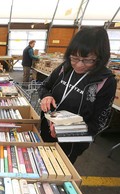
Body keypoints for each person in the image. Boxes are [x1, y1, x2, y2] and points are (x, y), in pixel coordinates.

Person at [38, 27, 117, 164]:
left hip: (71, 143)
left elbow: (98, 124)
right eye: (75, 58)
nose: (79, 65)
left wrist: (65, 130)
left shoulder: (105, 81)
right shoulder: (65, 67)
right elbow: (44, 86)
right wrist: (46, 96)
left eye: (87, 60)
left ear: (100, 57)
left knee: (58, 171)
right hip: (46, 130)